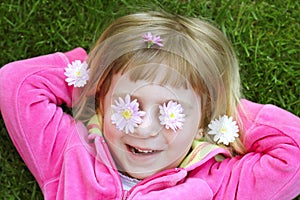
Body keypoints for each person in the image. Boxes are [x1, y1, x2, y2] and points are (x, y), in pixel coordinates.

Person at [0, 11, 299, 200]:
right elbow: (17, 83)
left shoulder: (218, 186)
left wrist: (221, 111)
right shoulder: (70, 154)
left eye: (171, 111)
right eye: (127, 105)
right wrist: (90, 79)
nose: (144, 126)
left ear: (202, 118)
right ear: (102, 98)